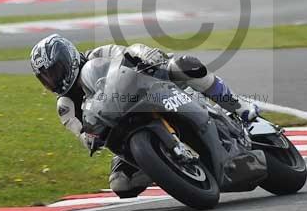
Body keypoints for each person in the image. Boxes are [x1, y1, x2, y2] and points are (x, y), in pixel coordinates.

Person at [30, 34, 259, 198]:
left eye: (56, 70)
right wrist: (91, 138)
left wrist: (151, 59)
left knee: (185, 65)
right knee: (121, 184)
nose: (54, 80)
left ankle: (237, 105)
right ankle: (164, 167)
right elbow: (81, 133)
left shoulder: (98, 54)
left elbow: (130, 53)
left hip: (145, 92)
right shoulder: (65, 105)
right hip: (120, 129)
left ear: (68, 58)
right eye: (46, 77)